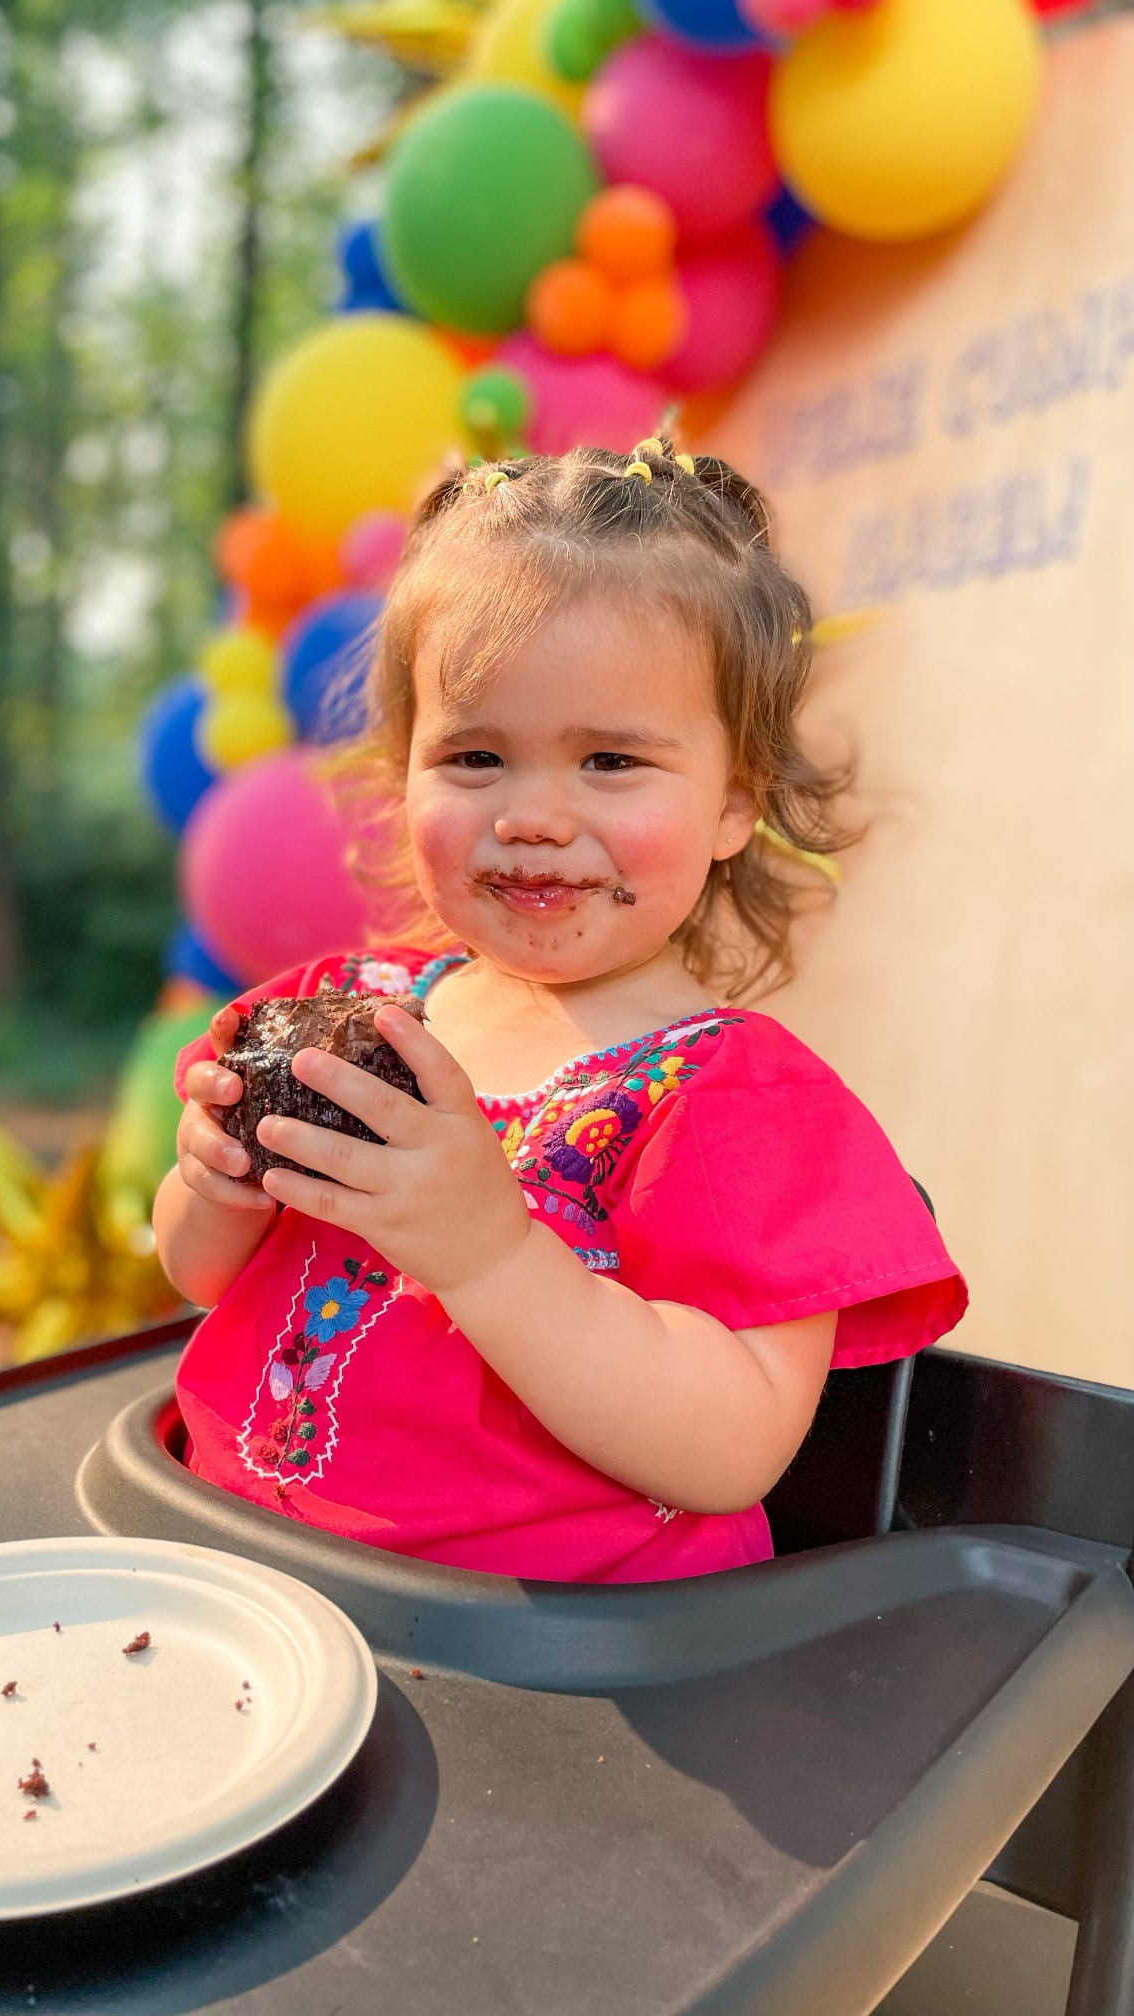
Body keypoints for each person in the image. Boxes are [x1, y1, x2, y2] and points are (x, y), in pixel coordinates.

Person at [152, 439, 966, 1583]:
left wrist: (488, 1253)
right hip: (225, 1567)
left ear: (734, 799)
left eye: (611, 760)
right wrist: (212, 1184)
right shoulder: (345, 1013)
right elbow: (195, 1277)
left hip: (540, 1656)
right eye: (477, 755)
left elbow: (731, 1450)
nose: (534, 814)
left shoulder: (739, 1101)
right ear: (406, 774)